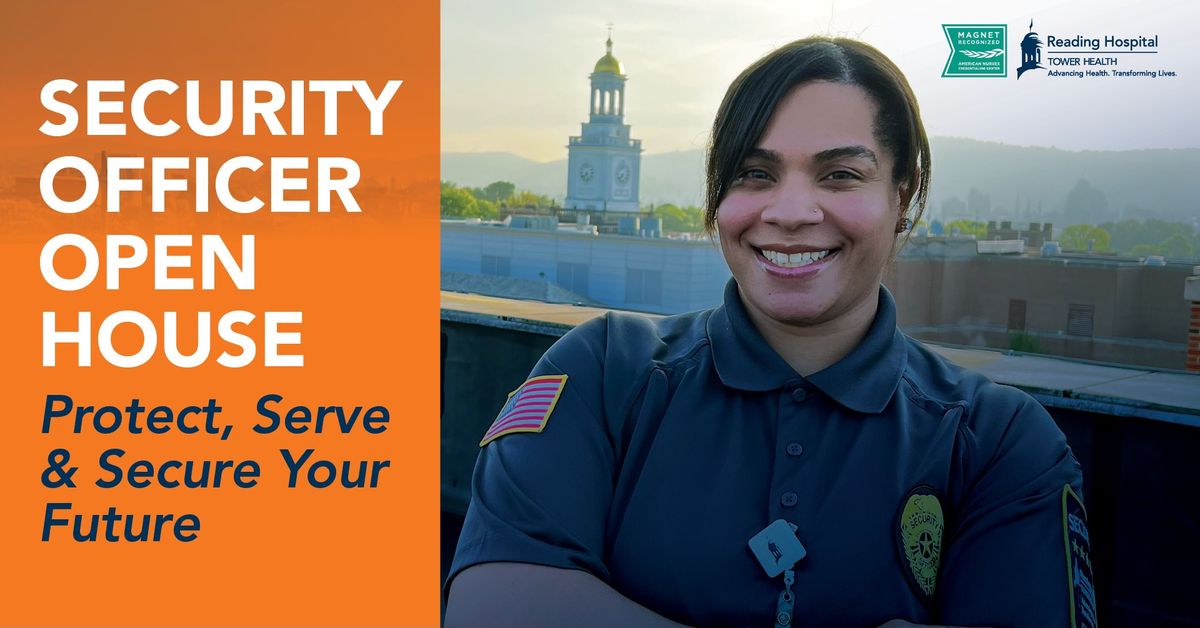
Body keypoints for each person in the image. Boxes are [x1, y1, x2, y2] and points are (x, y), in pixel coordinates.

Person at [445, 37, 1094, 628]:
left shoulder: (1000, 443)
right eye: (755, 174)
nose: (788, 212)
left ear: (905, 192)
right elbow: (488, 606)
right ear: (716, 199)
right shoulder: (605, 370)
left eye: (840, 174)